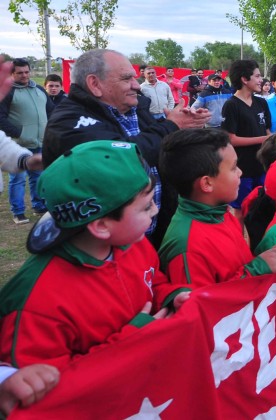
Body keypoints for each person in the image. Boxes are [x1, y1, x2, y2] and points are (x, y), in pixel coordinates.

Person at [0, 140, 191, 370]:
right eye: (146, 206)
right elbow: (41, 394)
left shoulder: (132, 242)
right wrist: (130, 342)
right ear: (101, 226)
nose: (156, 210)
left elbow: (152, 281)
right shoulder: (37, 305)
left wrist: (172, 296)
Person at [42, 49, 210, 248]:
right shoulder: (68, 121)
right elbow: (120, 156)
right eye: (127, 78)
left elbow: (157, 150)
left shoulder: (133, 108)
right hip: (101, 245)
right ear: (94, 84)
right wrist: (171, 126)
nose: (136, 85)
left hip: (150, 234)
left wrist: (184, 128)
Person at [157, 128, 276, 287]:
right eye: (234, 167)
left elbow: (238, 266)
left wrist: (268, 258)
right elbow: (203, 306)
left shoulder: (220, 211)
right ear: (207, 183)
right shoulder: (187, 248)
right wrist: (257, 269)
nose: (240, 172)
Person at [0, 58, 52, 224]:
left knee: (38, 177)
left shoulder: (38, 89)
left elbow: (52, 111)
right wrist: (18, 133)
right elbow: (0, 117)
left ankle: (39, 206)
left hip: (40, 142)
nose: (24, 75)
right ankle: (18, 211)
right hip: (18, 145)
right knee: (18, 180)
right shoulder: (8, 92)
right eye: (20, 73)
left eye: (27, 72)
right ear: (12, 74)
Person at [221, 59, 271, 214]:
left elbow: (267, 130)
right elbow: (230, 139)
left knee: (261, 209)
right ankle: (240, 239)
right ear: (244, 79)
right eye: (257, 76)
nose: (261, 80)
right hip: (243, 169)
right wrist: (263, 139)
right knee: (241, 210)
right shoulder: (231, 105)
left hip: (261, 167)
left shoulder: (261, 103)